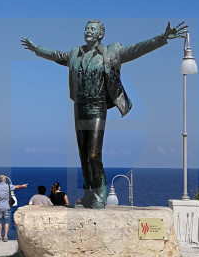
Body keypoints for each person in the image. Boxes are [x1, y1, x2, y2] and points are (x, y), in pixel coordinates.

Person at [22, 19, 187, 208]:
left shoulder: (111, 52)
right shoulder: (76, 53)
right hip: (80, 107)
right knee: (83, 154)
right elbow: (56, 55)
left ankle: (100, 192)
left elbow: (137, 50)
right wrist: (36, 49)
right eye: (86, 28)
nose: (88, 31)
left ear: (101, 34)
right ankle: (88, 193)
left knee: (93, 154)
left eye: (92, 29)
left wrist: (162, 38)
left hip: (97, 106)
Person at [0, 175, 27, 242]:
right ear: (5, 180)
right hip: (7, 207)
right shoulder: (8, 186)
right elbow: (17, 187)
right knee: (6, 222)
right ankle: (5, 236)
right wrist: (23, 185)